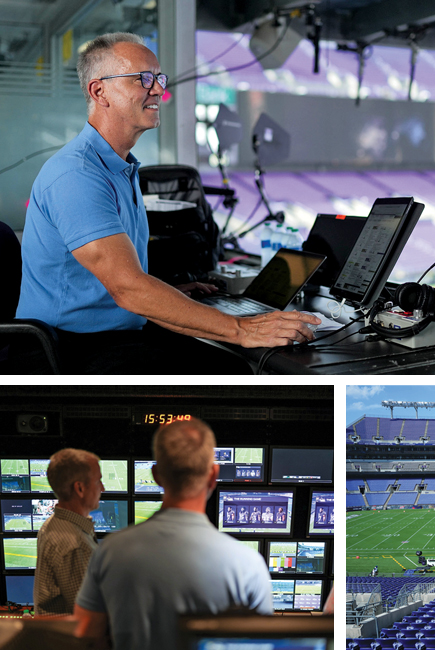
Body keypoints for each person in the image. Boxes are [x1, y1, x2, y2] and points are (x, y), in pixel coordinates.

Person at [16, 32, 319, 374]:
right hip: (66, 349)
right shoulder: (77, 174)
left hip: (110, 331)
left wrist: (168, 291)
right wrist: (242, 329)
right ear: (99, 92)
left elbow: (117, 280)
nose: (159, 90)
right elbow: (128, 288)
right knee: (233, 368)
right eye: (143, 79)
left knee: (229, 360)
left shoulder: (119, 167)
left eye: (159, 78)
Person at [74, 420, 272, 650]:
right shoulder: (248, 565)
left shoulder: (110, 550)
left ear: (156, 475)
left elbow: (85, 634)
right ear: (213, 474)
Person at [34, 449, 104, 616]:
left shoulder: (55, 523)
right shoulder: (74, 544)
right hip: (70, 640)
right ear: (79, 488)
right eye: (98, 481)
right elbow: (89, 613)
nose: (102, 487)